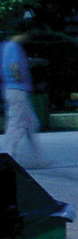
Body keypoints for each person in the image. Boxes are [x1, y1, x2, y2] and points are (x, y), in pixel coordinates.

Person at [1, 19, 45, 168]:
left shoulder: (7, 46)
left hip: (14, 89)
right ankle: (9, 155)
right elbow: (14, 66)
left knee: (31, 124)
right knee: (17, 124)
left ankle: (36, 158)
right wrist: (18, 76)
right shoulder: (14, 46)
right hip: (17, 89)